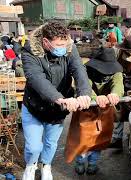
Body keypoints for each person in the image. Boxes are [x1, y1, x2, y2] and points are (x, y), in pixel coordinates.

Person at [21, 22, 92, 180]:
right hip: (35, 106)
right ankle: (31, 165)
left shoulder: (69, 47)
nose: (63, 47)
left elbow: (79, 69)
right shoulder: (29, 51)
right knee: (34, 147)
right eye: (58, 44)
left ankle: (46, 165)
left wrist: (85, 93)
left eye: (64, 43)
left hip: (57, 110)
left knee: (50, 143)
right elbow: (36, 78)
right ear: (45, 42)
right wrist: (59, 98)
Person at [74, 46, 124, 175]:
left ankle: (92, 164)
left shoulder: (117, 71)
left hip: (104, 110)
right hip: (86, 107)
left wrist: (115, 94)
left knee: (100, 137)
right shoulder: (85, 70)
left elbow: (118, 85)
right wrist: (96, 98)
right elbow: (84, 86)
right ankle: (80, 162)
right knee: (84, 137)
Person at [109, 35, 131, 149]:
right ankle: (117, 138)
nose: (130, 52)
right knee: (118, 111)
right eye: (128, 50)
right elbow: (111, 67)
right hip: (119, 83)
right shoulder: (116, 52)